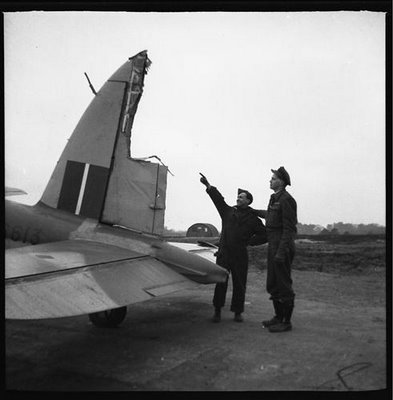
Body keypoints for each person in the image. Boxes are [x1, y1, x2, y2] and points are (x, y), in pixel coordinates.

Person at [199, 173, 267, 323]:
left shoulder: (254, 219)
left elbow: (265, 235)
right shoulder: (227, 212)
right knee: (220, 282)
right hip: (224, 254)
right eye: (238, 197)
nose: (238, 198)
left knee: (239, 284)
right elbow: (218, 200)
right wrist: (209, 187)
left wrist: (250, 242)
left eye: (241, 197)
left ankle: (238, 312)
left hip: (240, 255)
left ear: (248, 201)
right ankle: (217, 311)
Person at [253, 167, 297, 332]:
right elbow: (271, 215)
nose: (270, 181)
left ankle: (286, 322)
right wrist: (254, 211)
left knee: (283, 284)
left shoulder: (286, 199)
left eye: (273, 178)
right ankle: (278, 317)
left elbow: (289, 229)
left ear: (282, 181)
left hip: (282, 247)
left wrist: (281, 252)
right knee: (273, 284)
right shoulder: (274, 198)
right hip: (273, 245)